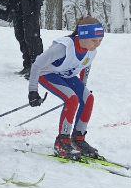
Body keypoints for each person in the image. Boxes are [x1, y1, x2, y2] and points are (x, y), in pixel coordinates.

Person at [27, 16, 105, 160]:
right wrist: (33, 91)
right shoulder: (64, 48)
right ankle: (62, 141)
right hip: (47, 73)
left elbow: (85, 66)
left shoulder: (91, 50)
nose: (98, 44)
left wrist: (83, 87)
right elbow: (37, 64)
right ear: (83, 35)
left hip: (66, 74)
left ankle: (78, 139)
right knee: (72, 99)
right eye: (95, 40)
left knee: (88, 99)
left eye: (100, 40)